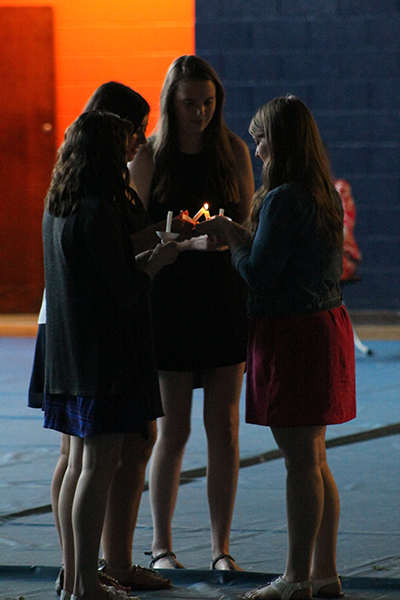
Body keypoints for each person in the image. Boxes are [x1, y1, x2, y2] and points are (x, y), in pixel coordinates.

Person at [28, 81, 187, 592]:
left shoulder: (61, 202)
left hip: (71, 352)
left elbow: (99, 272)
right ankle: (85, 583)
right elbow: (122, 288)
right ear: (106, 146)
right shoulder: (97, 209)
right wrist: (157, 261)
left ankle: (78, 577)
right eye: (130, 134)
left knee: (80, 462)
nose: (136, 142)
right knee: (95, 465)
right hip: (103, 356)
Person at [197, 96, 356, 599]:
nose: (257, 149)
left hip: (294, 334)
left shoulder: (285, 197)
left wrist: (230, 235)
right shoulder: (322, 192)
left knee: (300, 462)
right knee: (315, 458)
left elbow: (260, 274)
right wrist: (243, 234)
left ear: (281, 142)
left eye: (261, 138)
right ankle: (323, 572)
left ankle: (295, 578)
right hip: (323, 326)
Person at [130, 55, 254, 570]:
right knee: (172, 428)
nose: (200, 113)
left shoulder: (233, 150)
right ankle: (161, 546)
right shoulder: (149, 155)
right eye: (189, 104)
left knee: (224, 428)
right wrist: (177, 240)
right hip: (170, 299)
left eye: (208, 103)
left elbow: (248, 225)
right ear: (170, 102)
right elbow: (134, 235)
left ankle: (221, 548)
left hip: (223, 296)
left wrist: (226, 236)